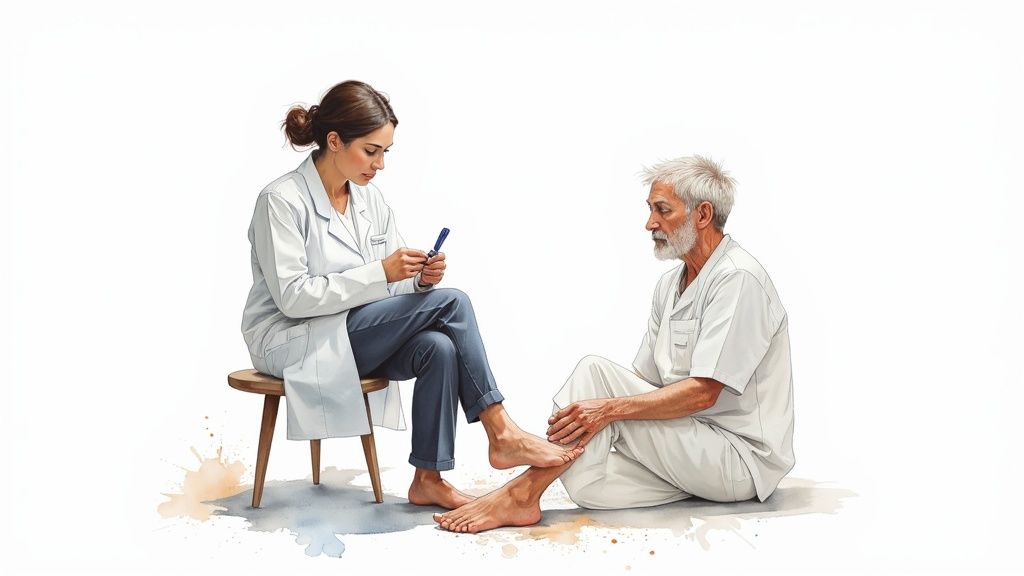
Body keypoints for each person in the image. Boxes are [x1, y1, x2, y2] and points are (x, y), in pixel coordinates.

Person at [241, 80, 580, 509]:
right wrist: (382, 273)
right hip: (291, 338)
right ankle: (501, 432)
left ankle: (428, 478)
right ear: (334, 141)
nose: (380, 164)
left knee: (438, 346)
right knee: (454, 303)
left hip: (353, 331)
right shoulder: (281, 201)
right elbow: (293, 298)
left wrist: (418, 281)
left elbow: (390, 285)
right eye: (371, 150)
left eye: (386, 152)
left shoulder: (370, 199)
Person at [434, 155, 795, 532]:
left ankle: (521, 495)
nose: (649, 223)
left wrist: (606, 411)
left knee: (594, 373)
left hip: (737, 459)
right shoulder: (670, 286)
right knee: (588, 484)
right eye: (650, 210)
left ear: (702, 215)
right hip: (690, 450)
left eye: (662, 210)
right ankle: (531, 484)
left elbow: (704, 393)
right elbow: (643, 381)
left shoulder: (737, 278)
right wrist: (603, 418)